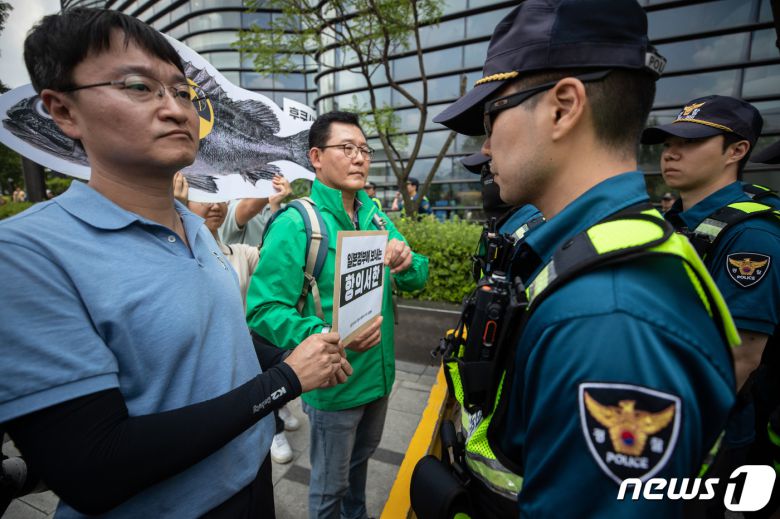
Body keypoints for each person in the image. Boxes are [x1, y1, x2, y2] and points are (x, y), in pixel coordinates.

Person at [0, 8, 350, 518]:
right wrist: (286, 380)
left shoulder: (194, 228)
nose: (176, 110)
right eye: (140, 87)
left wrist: (289, 353)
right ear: (63, 111)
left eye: (183, 92)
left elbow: (218, 332)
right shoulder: (28, 254)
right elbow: (94, 466)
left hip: (255, 488)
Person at [428, 1, 737, 516]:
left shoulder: (606, 317)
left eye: (490, 115)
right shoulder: (588, 262)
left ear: (563, 106)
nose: (485, 145)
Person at [246, 111, 429, 519]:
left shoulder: (374, 214)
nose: (359, 158)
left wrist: (406, 258)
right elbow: (261, 310)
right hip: (335, 386)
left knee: (360, 470)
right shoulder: (297, 223)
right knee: (329, 489)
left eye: (364, 149)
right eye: (346, 148)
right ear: (316, 156)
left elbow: (418, 277)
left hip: (380, 378)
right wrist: (327, 333)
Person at [641, 96, 780, 516]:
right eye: (667, 142)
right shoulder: (679, 221)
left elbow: (741, 357)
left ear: (736, 151)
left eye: (692, 141)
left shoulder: (751, 237)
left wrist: (669, 438)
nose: (671, 152)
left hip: (704, 433)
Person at [218, 173, 292, 247]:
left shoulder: (284, 208)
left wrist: (275, 205)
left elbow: (284, 241)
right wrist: (275, 189)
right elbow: (249, 208)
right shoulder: (227, 209)